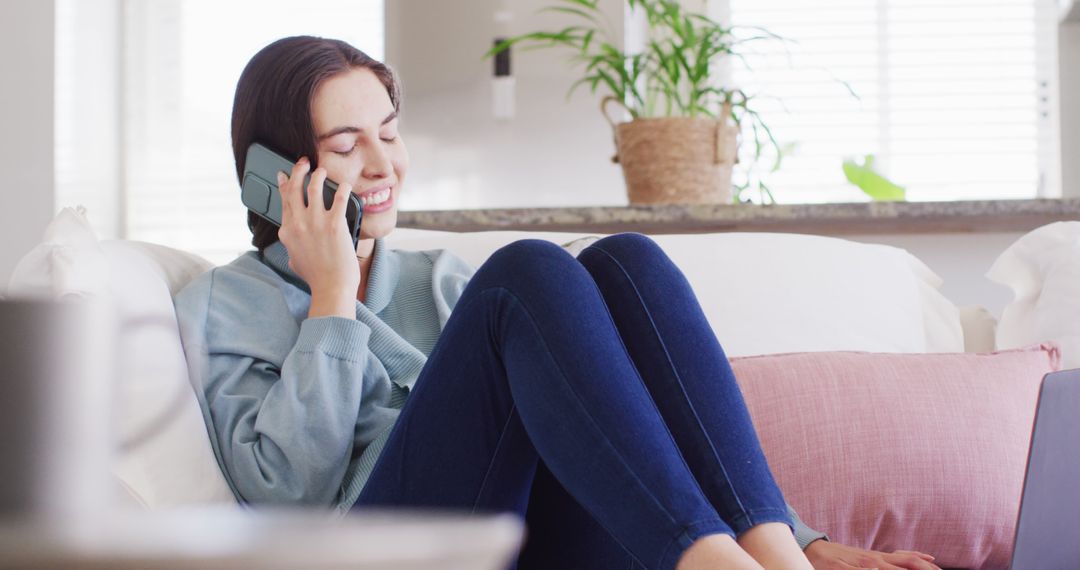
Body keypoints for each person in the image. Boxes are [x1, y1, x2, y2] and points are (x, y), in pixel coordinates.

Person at [174, 36, 941, 570]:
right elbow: (290, 496)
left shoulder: (435, 279)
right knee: (527, 274)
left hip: (521, 533)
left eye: (390, 133)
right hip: (375, 545)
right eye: (346, 145)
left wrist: (807, 539)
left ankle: (776, 555)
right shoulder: (224, 305)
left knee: (627, 261)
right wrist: (332, 301)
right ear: (278, 174)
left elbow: (601, 418)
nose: (383, 164)